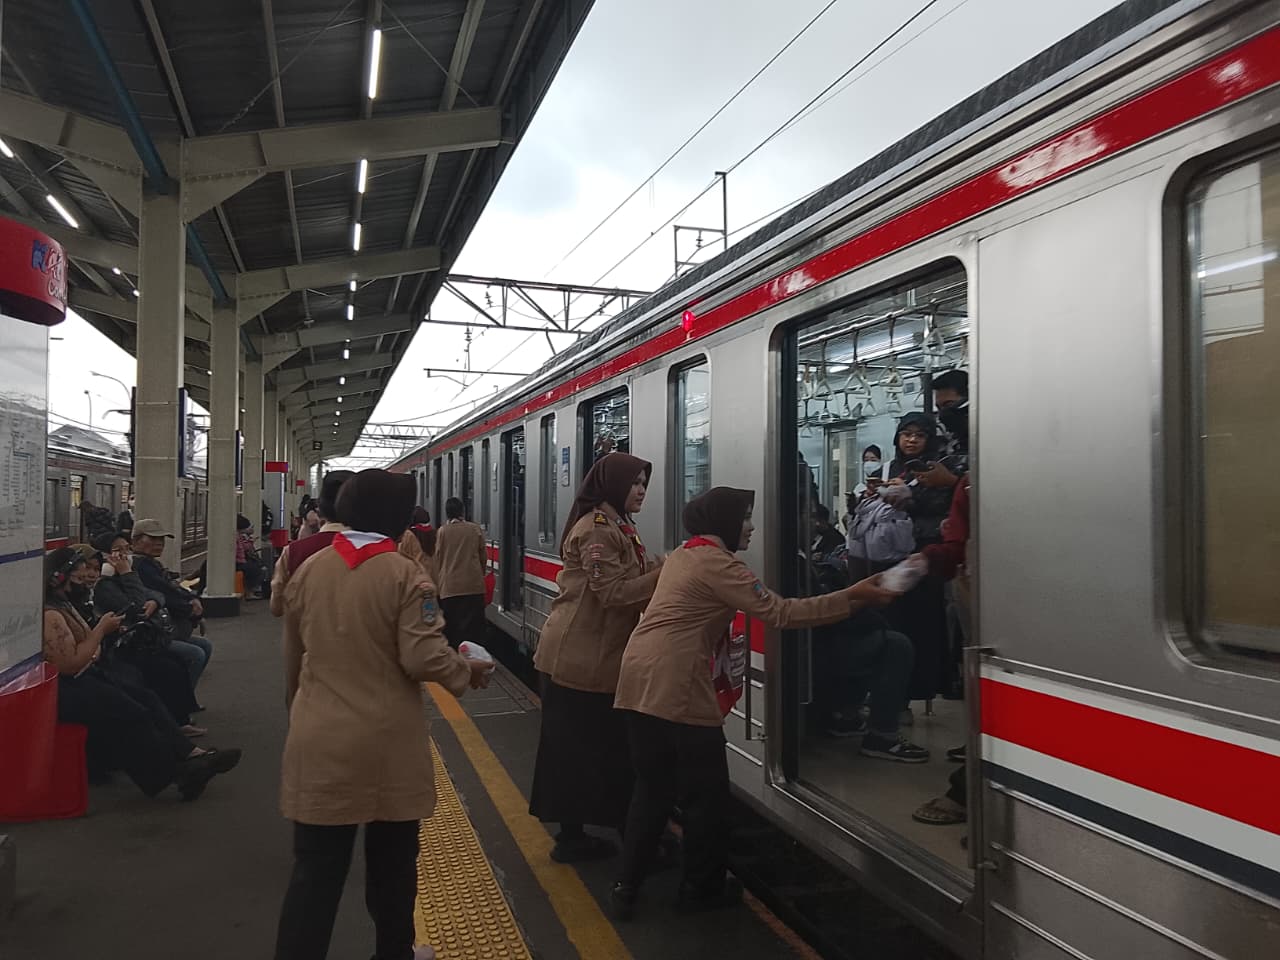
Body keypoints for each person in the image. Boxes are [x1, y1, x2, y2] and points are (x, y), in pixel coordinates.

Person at [610, 487, 899, 919]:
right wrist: (853, 597)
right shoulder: (719, 564)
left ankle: (625, 887)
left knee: (652, 788)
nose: (751, 527)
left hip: (637, 676)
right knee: (707, 797)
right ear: (724, 521)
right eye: (745, 517)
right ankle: (701, 889)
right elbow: (782, 613)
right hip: (677, 683)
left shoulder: (686, 554)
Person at [274, 469, 492, 960]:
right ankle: (394, 954)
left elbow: (292, 659)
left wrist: (299, 716)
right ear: (396, 517)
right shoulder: (406, 575)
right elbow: (422, 657)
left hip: (317, 738)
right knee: (392, 867)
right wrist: (467, 671)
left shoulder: (311, 569)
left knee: (315, 875)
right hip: (385, 746)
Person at [529, 452, 662, 863]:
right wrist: (665, 573)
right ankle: (579, 840)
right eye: (634, 483)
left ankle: (601, 835)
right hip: (579, 659)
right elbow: (612, 594)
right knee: (584, 751)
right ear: (613, 485)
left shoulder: (620, 526)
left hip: (593, 656)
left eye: (644, 483)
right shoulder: (598, 531)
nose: (641, 490)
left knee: (590, 750)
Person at [42, 548, 240, 800]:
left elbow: (87, 648)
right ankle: (177, 773)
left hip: (86, 675)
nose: (85, 581)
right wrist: (100, 631)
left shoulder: (65, 605)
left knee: (145, 698)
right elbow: (69, 664)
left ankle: (190, 756)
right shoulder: (52, 615)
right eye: (78, 578)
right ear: (58, 579)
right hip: (67, 687)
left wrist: (95, 642)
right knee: (131, 711)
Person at [84, 536, 202, 733]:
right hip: (122, 648)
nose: (124, 555)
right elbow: (137, 605)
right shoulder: (106, 585)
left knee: (176, 663)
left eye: (126, 549)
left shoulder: (124, 576)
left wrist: (154, 601)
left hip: (137, 641)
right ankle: (175, 724)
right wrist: (127, 573)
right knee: (175, 664)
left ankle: (178, 719)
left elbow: (155, 593)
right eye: (118, 550)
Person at [912, 477, 972, 828]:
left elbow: (957, 546)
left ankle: (968, 790)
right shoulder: (967, 482)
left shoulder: (967, 482)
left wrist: (928, 558)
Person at [131, 519, 213, 688]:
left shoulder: (150, 563)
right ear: (136, 541)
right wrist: (191, 609)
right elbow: (166, 594)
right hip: (151, 633)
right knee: (196, 654)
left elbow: (170, 589)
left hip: (162, 628)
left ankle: (183, 696)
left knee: (203, 646)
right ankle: (177, 699)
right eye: (153, 539)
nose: (159, 543)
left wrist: (191, 599)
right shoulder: (141, 566)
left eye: (161, 539)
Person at [270, 470, 355, 617]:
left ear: (320, 508)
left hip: (307, 627)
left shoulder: (293, 551)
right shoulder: (379, 552)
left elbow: (277, 607)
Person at [432, 498, 488, 651]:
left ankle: (456, 659)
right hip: (473, 587)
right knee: (474, 632)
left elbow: (438, 558)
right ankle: (474, 660)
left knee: (452, 630)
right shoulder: (474, 529)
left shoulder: (442, 531)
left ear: (447, 513)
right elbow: (483, 557)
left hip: (450, 588)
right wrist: (479, 575)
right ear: (462, 511)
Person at [235, 514, 266, 599]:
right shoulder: (237, 536)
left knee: (256, 566)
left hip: (240, 561)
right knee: (256, 569)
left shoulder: (238, 536)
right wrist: (251, 542)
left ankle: (249, 591)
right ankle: (250, 592)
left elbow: (243, 547)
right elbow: (242, 548)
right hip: (239, 562)